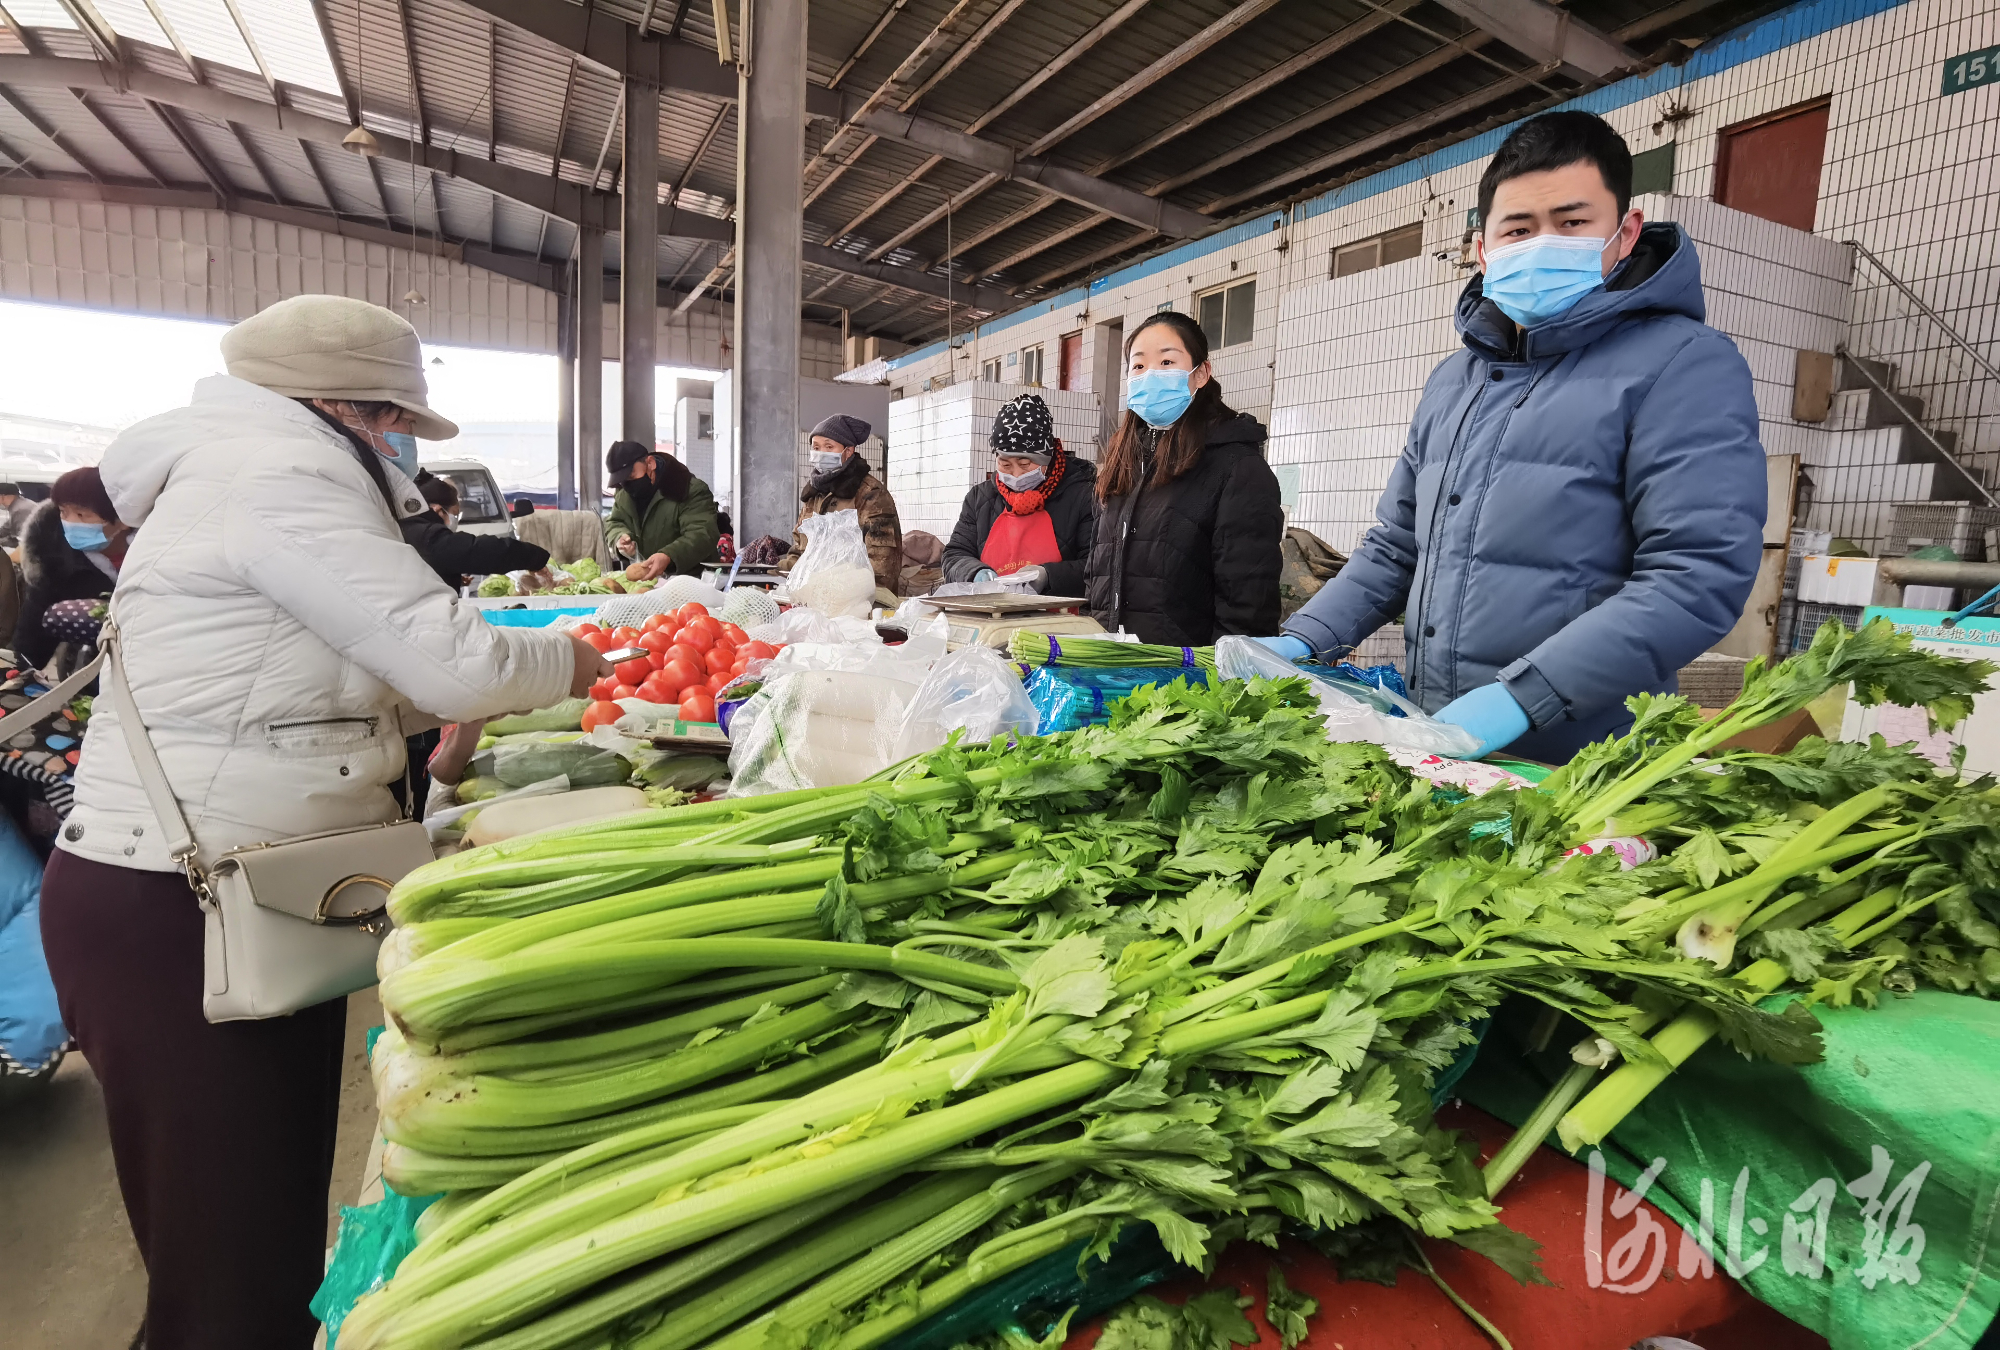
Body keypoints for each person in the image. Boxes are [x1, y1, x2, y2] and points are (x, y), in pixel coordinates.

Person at [37, 294, 610, 1350]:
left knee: (243, 1247)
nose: (398, 442)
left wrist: (415, 727)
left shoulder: (234, 473)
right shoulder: (276, 475)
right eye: (393, 418)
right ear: (342, 405)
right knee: (233, 1277)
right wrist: (576, 658)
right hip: (180, 906)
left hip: (208, 891)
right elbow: (457, 660)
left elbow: (290, 674)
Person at [1267, 111, 1765, 763]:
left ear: (1625, 231)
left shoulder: (1684, 364)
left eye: (1572, 223)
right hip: (1439, 739)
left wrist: (1523, 697)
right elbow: (1396, 546)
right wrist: (1304, 639)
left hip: (1585, 763)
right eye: (1520, 229)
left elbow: (1696, 572)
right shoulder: (1456, 381)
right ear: (1483, 248)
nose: (1543, 245)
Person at [1085, 312, 1282, 645]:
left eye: (1166, 361)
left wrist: (1221, 683)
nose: (1150, 375)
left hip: (1187, 683)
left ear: (1201, 373)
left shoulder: (1237, 467)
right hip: (1115, 672)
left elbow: (1248, 603)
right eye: (1138, 366)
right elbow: (1097, 574)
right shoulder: (1124, 463)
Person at [943, 393, 1097, 595]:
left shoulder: (1084, 496)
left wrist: (1048, 575)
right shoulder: (979, 499)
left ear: (1046, 459)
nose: (1016, 474)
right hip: (992, 615)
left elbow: (1096, 566)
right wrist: (974, 571)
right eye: (1005, 464)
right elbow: (954, 554)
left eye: (1025, 464)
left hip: (1059, 621)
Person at [15, 467, 130, 667]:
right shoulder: (53, 563)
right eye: (63, 512)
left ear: (122, 519)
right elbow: (33, 628)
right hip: (98, 665)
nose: (70, 523)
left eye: (81, 515)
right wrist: (20, 671)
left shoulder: (157, 551)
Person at [781, 414, 903, 597]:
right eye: (816, 447)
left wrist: (863, 603)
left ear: (848, 451)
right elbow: (799, 550)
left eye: (829, 447)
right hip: (812, 600)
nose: (821, 452)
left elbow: (883, 564)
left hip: (857, 604)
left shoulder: (871, 494)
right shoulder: (814, 495)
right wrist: (779, 573)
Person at [402, 469, 554, 590]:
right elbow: (486, 550)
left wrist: (449, 576)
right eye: (454, 515)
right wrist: (535, 558)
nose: (455, 521)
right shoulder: (428, 537)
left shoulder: (407, 529)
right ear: (437, 510)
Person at [604, 441, 721, 582]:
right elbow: (615, 522)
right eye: (622, 480)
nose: (627, 484)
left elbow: (702, 533)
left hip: (691, 582)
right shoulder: (624, 493)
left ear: (650, 463)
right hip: (650, 582)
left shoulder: (688, 490)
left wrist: (668, 555)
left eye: (631, 475)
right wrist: (619, 539)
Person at [0, 480, 35, 548]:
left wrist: (1, 541)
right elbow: (7, 528)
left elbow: (20, 539)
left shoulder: (21, 510)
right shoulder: (18, 505)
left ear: (3, 496)